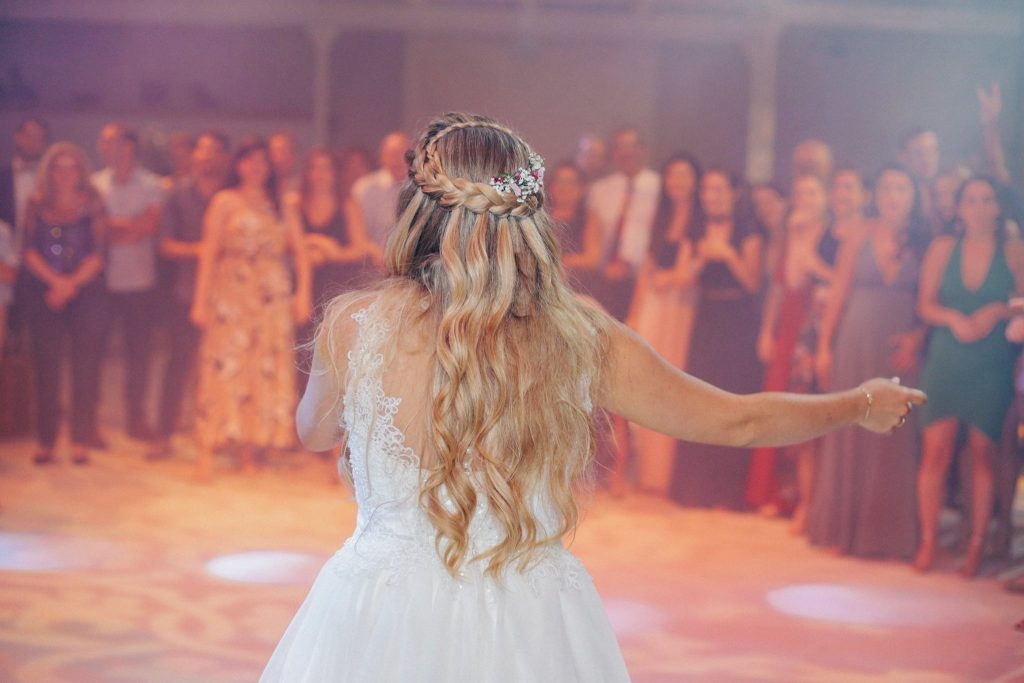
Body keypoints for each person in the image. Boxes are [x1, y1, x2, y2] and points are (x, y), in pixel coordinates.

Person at [259, 113, 924, 682]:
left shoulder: (355, 324)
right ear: (530, 219)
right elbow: (739, 419)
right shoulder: (579, 336)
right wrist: (858, 403)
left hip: (376, 610)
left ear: (419, 212)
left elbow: (313, 432)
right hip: (526, 618)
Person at [808, 164, 931, 559]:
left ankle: (886, 537)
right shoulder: (859, 234)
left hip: (900, 345)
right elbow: (839, 293)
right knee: (853, 425)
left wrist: (918, 338)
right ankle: (842, 530)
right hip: (856, 340)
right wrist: (824, 346)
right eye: (887, 188)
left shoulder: (926, 240)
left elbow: (934, 300)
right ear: (876, 194)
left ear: (914, 195)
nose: (893, 196)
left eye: (902, 188)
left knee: (895, 432)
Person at [914, 176, 1024, 577]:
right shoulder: (943, 248)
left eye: (986, 199)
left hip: (992, 359)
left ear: (998, 206)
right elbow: (924, 305)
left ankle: (977, 544)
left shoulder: (1014, 251)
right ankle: (928, 541)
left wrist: (996, 312)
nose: (979, 207)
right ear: (959, 208)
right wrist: (953, 318)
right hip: (947, 355)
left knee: (983, 452)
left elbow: (1022, 305)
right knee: (935, 451)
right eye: (971, 200)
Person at [189, 138, 312, 480]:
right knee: (223, 365)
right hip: (232, 292)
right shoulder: (225, 201)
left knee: (262, 368)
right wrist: (200, 301)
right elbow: (209, 252)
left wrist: (302, 293)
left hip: (271, 294)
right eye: (249, 160)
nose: (256, 167)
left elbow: (301, 251)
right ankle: (207, 449)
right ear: (239, 164)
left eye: (262, 161)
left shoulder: (282, 203)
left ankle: (250, 448)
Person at [670, 168, 764, 510]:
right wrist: (700, 259)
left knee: (733, 400)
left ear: (734, 194)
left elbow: (753, 282)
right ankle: (696, 489)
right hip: (706, 320)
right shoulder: (695, 231)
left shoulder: (748, 232)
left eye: (720, 189)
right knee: (700, 400)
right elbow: (682, 279)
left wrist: (728, 255)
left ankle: (730, 492)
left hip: (739, 321)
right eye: (708, 190)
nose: (713, 196)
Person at [748, 174, 837, 526]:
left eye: (812, 192)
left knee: (806, 410)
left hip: (815, 325)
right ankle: (775, 493)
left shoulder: (833, 236)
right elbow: (782, 285)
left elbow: (821, 278)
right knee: (778, 404)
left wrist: (805, 247)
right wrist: (766, 331)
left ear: (824, 197)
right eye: (800, 193)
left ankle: (806, 500)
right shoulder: (789, 236)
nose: (805, 199)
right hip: (787, 323)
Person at [21, 142, 107, 464]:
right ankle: (47, 440)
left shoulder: (94, 202)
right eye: (59, 167)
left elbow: (99, 252)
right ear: (49, 171)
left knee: (85, 368)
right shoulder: (36, 203)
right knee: (47, 368)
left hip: (86, 291)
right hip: (45, 291)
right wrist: (55, 282)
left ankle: (79, 440)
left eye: (72, 167)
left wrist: (71, 283)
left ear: (81, 171)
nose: (65, 173)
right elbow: (28, 249)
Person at [149, 130, 230, 458]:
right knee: (178, 363)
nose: (207, 156)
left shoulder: (232, 193)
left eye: (215, 150)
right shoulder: (177, 193)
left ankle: (220, 435)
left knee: (225, 366)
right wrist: (205, 251)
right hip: (185, 291)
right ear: (194, 154)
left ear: (224, 157)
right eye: (202, 149)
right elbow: (165, 245)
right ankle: (164, 434)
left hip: (230, 294)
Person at [625, 153, 702, 495]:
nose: (676, 181)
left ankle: (669, 475)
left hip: (683, 307)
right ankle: (647, 473)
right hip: (655, 305)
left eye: (683, 174)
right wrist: (634, 313)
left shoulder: (701, 221)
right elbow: (647, 269)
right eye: (671, 175)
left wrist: (674, 278)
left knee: (676, 381)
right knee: (649, 383)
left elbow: (694, 270)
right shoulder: (661, 217)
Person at [92, 123, 166, 442]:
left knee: (139, 355)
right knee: (94, 354)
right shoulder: (94, 184)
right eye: (103, 141)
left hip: (140, 283)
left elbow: (147, 227)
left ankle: (136, 418)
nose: (103, 146)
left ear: (128, 146)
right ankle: (90, 422)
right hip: (100, 283)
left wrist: (111, 228)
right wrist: (127, 226)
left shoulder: (151, 184)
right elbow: (94, 230)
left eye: (110, 140)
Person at [297, 148, 371, 391]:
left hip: (337, 286)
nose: (320, 174)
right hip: (305, 285)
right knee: (303, 352)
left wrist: (332, 252)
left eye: (325, 168)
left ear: (334, 173)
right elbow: (287, 242)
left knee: (336, 350)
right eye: (315, 168)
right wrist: (314, 243)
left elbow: (359, 249)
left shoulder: (346, 204)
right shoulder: (296, 204)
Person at [347, 131, 412, 266]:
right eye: (391, 154)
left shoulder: (424, 188)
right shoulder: (364, 189)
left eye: (400, 153)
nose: (396, 159)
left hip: (413, 265)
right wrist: (377, 254)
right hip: (372, 265)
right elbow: (357, 236)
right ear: (382, 157)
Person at [268, 130, 302, 196]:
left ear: (294, 156)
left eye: (282, 151)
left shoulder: (303, 188)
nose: (275, 157)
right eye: (272, 152)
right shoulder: (261, 188)